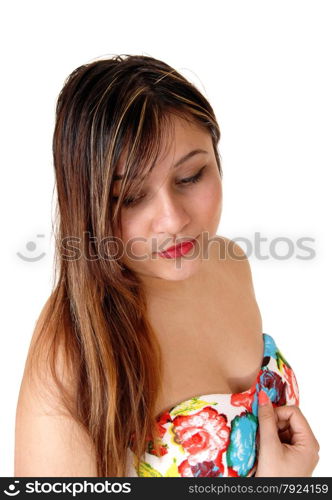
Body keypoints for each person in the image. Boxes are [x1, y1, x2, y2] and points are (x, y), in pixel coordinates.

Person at [14, 54, 320, 477]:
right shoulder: (73, 352)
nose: (174, 220)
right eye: (132, 198)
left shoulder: (228, 262)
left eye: (191, 176)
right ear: (88, 206)